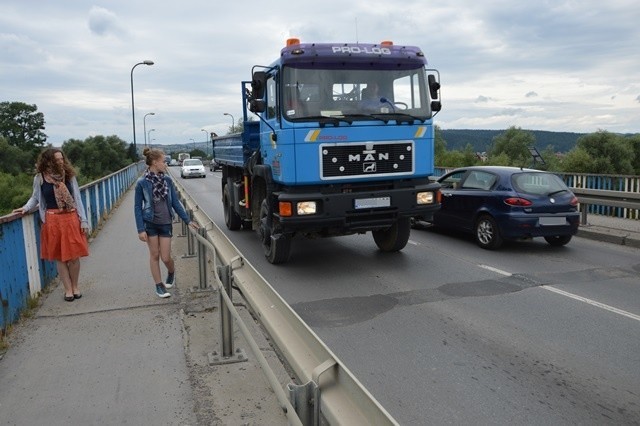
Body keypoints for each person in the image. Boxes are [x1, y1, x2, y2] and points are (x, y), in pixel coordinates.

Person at [13, 148, 90, 302]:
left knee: (74, 256)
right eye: (57, 159)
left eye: (62, 159)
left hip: (71, 218)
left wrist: (83, 220)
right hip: (53, 220)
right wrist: (26, 208)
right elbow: (35, 197)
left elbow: (77, 198)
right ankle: (67, 290)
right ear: (48, 161)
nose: (61, 162)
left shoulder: (69, 176)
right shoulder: (40, 178)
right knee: (60, 257)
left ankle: (75, 286)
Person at [134, 147, 199, 298]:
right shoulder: (142, 183)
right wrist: (140, 229)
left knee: (166, 257)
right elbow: (137, 207)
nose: (166, 164)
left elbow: (176, 203)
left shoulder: (167, 181)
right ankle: (159, 286)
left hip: (165, 223)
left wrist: (187, 220)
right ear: (155, 162)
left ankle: (171, 271)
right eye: (163, 161)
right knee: (154, 255)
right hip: (150, 223)